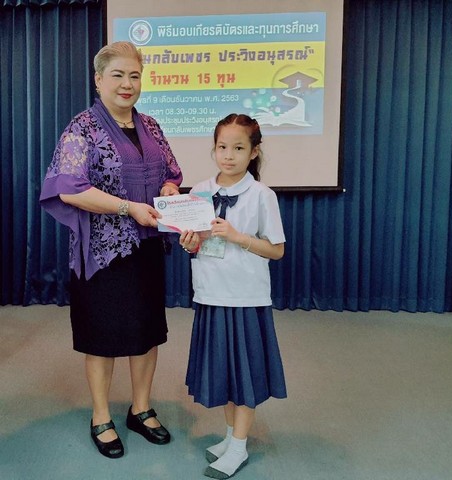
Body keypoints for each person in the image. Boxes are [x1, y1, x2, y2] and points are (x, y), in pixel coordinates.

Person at [40, 41, 182, 459]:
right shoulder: (81, 128)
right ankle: (101, 416)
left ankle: (141, 409)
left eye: (134, 76)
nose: (127, 84)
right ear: (99, 80)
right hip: (102, 253)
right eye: (118, 75)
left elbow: (170, 173)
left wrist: (169, 189)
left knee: (147, 332)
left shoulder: (151, 125)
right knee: (100, 336)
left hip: (147, 248)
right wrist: (127, 207)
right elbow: (69, 189)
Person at [179, 113, 287, 479]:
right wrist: (189, 242)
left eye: (238, 148)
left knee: (246, 376)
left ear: (253, 152)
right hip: (210, 295)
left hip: (245, 299)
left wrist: (238, 237)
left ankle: (239, 446)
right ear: (214, 149)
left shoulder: (262, 195)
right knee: (224, 374)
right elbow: (194, 244)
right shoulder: (199, 191)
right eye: (222, 147)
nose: (228, 155)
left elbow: (277, 250)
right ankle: (230, 437)